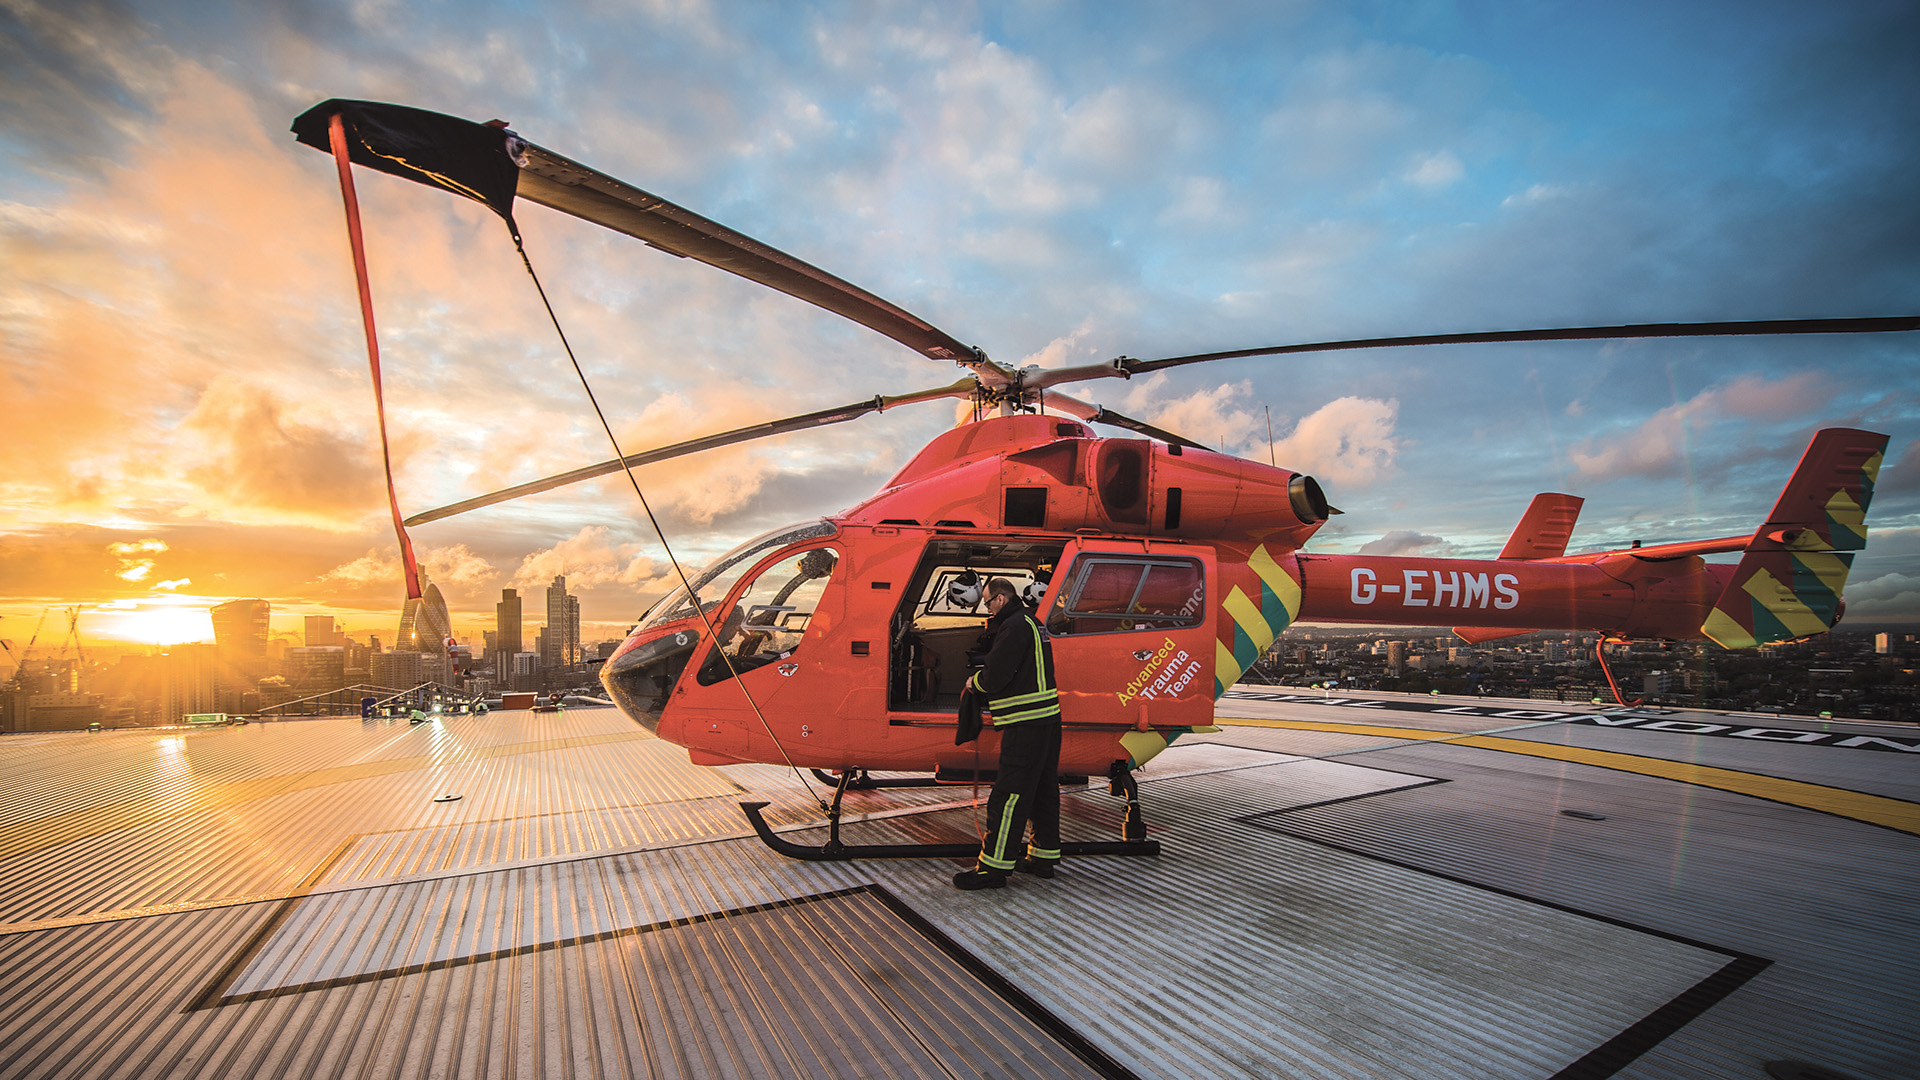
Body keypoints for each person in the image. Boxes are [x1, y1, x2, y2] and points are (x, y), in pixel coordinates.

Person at [953, 576, 1064, 890]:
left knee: (1010, 794)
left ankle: (994, 868)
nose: (986, 609)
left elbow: (997, 674)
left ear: (1001, 598)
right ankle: (1043, 858)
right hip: (1047, 721)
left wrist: (975, 683)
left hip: (1026, 723)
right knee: (1043, 790)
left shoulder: (1013, 626)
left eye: (987, 602)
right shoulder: (1031, 621)